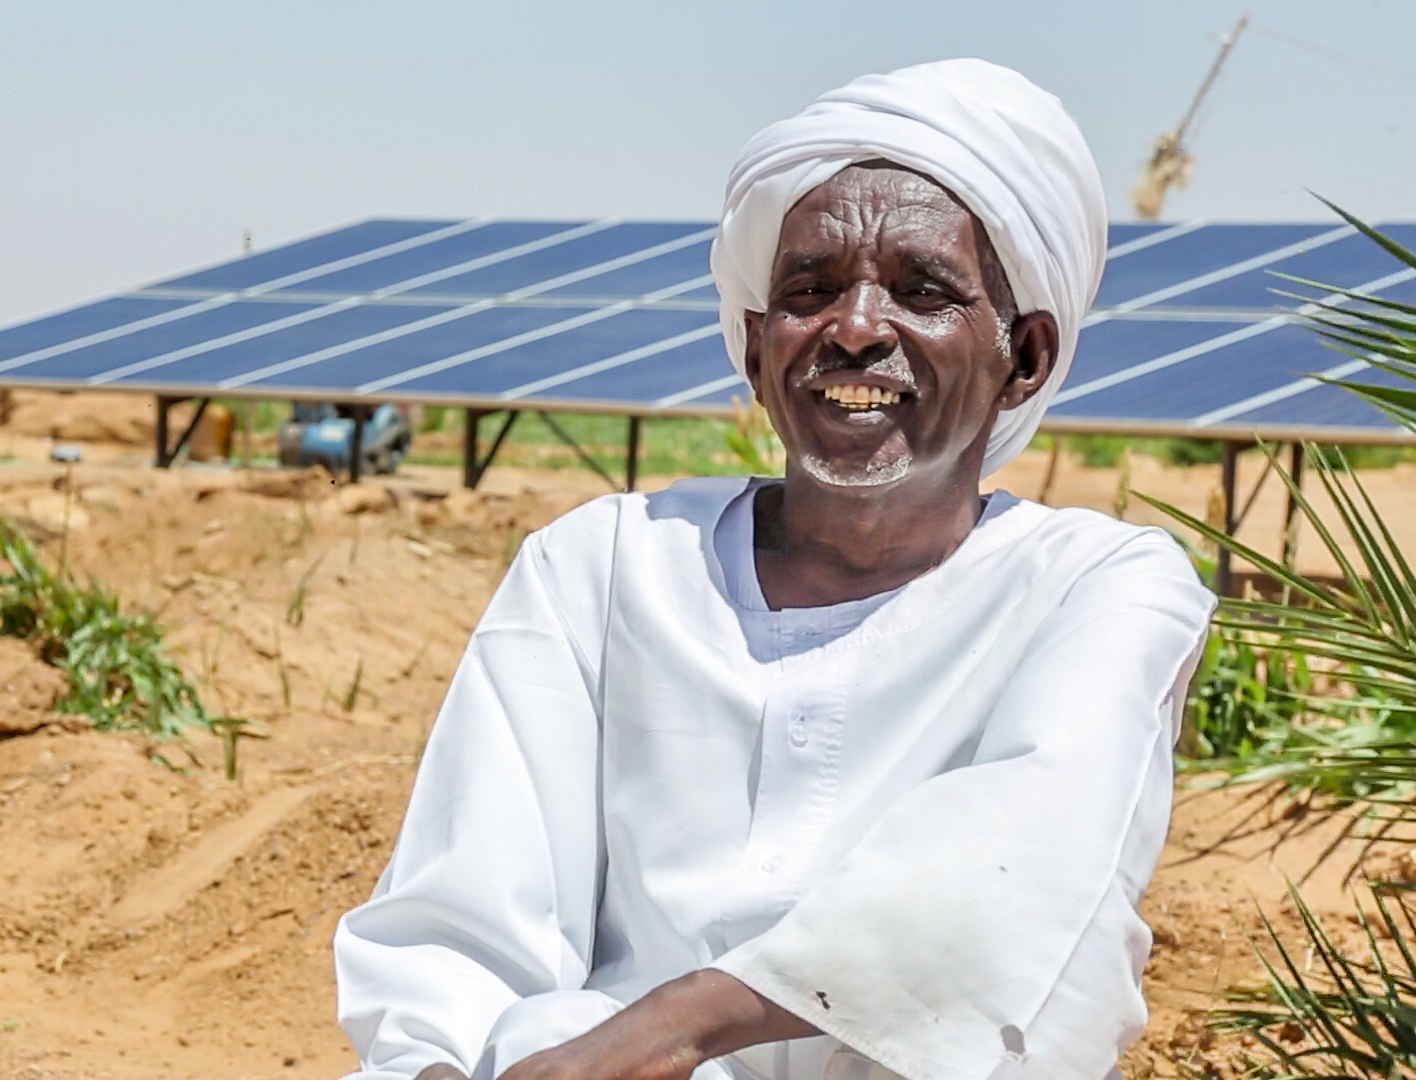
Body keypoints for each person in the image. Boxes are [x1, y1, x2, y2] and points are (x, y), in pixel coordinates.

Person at [334, 58, 1216, 1080]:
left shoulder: (1096, 587)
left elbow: (1016, 880)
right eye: (808, 290)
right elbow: (458, 920)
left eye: (923, 292)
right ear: (756, 348)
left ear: (1023, 355)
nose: (854, 328)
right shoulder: (602, 568)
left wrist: (670, 1029)